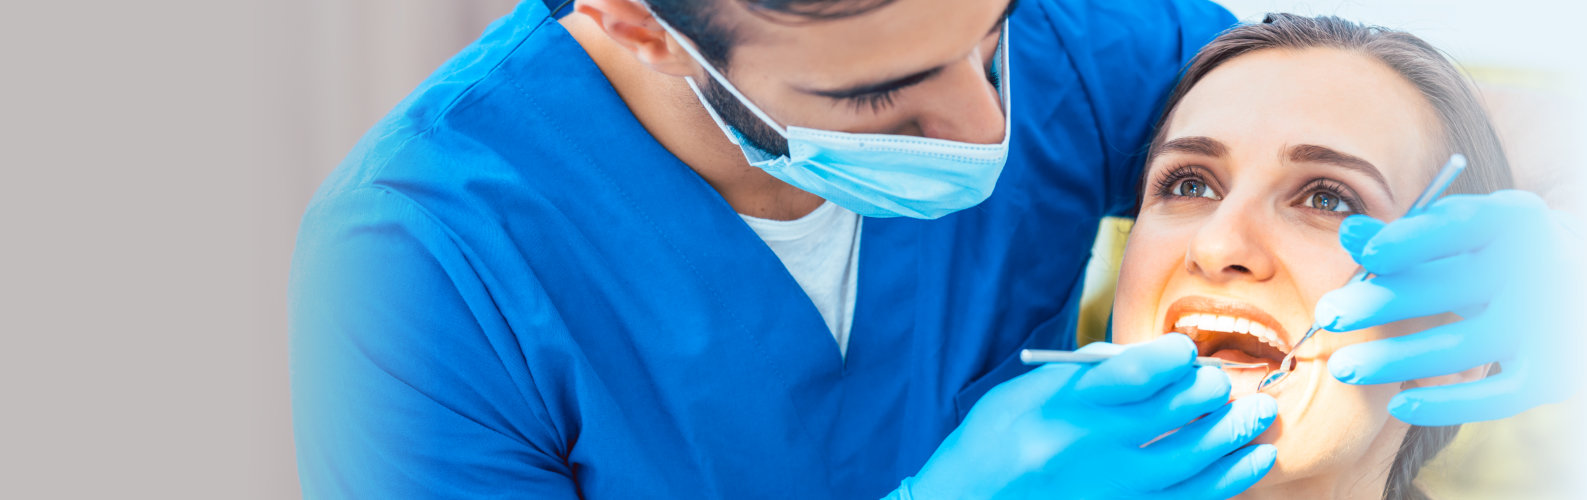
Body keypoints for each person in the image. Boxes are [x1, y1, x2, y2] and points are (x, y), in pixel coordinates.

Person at [289, 0, 1278, 498]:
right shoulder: (422, 267)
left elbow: (1340, 128)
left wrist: (1425, 228)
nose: (989, 131)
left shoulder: (1071, 31)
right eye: (879, 96)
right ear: (637, 23)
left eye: (991, 40)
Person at [1109, 13, 1577, 499]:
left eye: (1326, 199)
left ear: (1454, 330)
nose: (1217, 245)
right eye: (1189, 184)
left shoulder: (1121, 39)